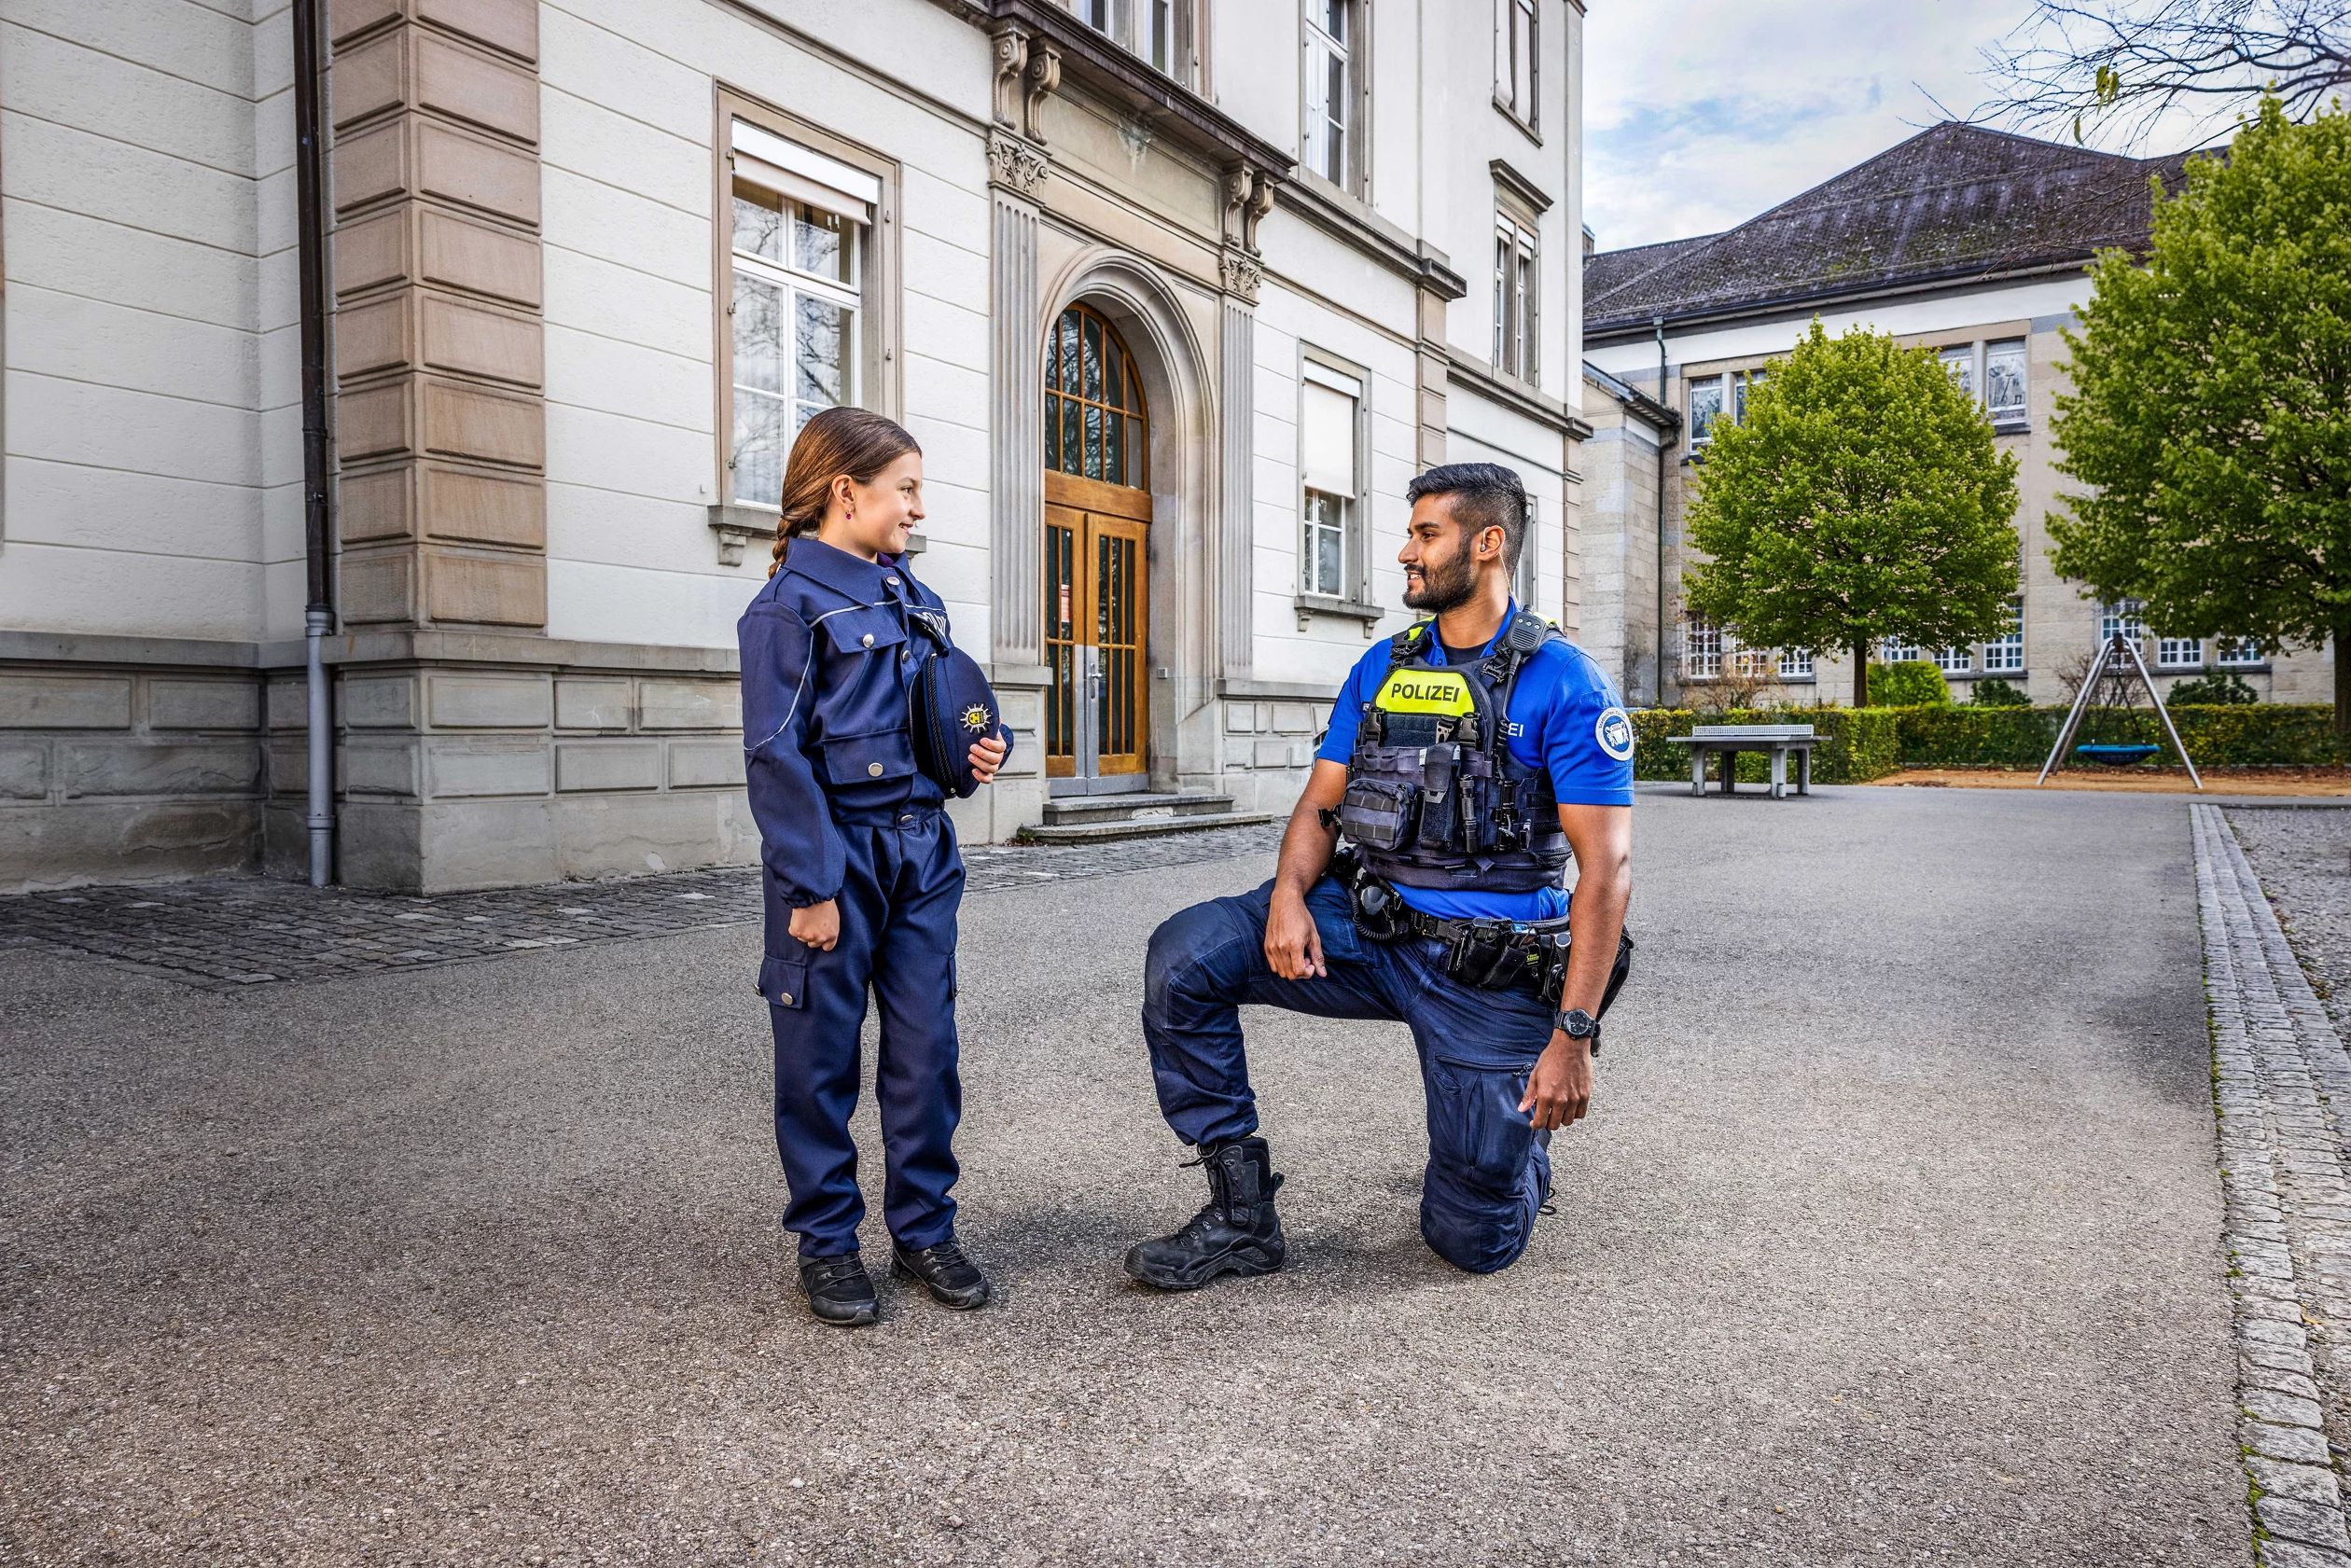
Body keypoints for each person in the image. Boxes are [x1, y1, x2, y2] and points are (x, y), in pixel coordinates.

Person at [1125, 463, 1635, 1288]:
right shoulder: (1382, 665)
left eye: (1426, 533)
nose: (1406, 551)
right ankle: (1241, 1217)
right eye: (1411, 532)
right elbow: (1323, 801)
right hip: (1368, 928)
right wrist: (1289, 897)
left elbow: (1605, 872)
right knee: (1185, 955)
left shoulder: (1566, 683)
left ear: (1489, 542)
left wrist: (1571, 1037)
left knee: (1470, 1240)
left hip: (1488, 964)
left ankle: (1515, 1155)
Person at [737, 407, 1010, 1328]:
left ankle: (924, 1228)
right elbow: (776, 756)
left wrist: (983, 749)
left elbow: (959, 708)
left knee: (927, 1049)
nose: (917, 509)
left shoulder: (915, 599)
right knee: (819, 1059)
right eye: (906, 490)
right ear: (846, 492)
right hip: (835, 855)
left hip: (921, 849)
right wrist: (812, 886)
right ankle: (827, 1244)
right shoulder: (785, 609)